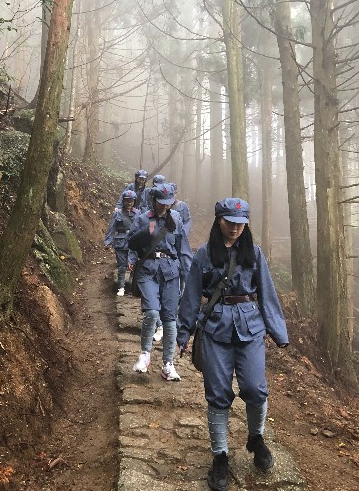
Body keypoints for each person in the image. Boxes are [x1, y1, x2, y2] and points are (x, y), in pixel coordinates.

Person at [177, 198, 289, 491]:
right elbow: (191, 296)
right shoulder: (204, 254)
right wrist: (183, 334)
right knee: (218, 393)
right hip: (215, 328)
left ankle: (256, 438)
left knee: (254, 387)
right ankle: (220, 457)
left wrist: (278, 332)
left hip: (250, 327)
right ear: (219, 221)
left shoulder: (254, 253)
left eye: (240, 223)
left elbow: (267, 292)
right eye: (229, 222)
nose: (235, 228)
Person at [128, 183, 193, 381]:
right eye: (161, 203)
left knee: (170, 320)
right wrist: (145, 234)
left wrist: (188, 277)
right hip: (148, 270)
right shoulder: (142, 219)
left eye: (168, 203)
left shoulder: (176, 219)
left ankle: (168, 364)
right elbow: (130, 243)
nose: (164, 207)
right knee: (151, 311)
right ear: (153, 201)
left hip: (171, 272)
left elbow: (183, 249)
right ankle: (145, 354)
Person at [104, 189, 140, 297]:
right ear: (123, 201)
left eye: (131, 201)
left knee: (133, 265)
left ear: (134, 202)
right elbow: (112, 227)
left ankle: (131, 286)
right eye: (127, 200)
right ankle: (121, 287)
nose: (129, 203)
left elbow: (141, 228)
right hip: (120, 241)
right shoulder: (117, 213)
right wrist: (108, 241)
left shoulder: (138, 213)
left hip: (134, 241)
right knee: (122, 266)